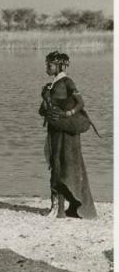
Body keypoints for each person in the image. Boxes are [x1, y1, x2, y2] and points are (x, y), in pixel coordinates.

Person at [38, 50, 97, 219]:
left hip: (67, 131)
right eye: (47, 64)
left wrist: (68, 114)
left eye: (49, 64)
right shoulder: (52, 85)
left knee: (65, 164)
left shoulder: (67, 82)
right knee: (56, 163)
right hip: (55, 129)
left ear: (59, 66)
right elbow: (45, 109)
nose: (46, 67)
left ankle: (66, 207)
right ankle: (58, 208)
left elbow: (81, 103)